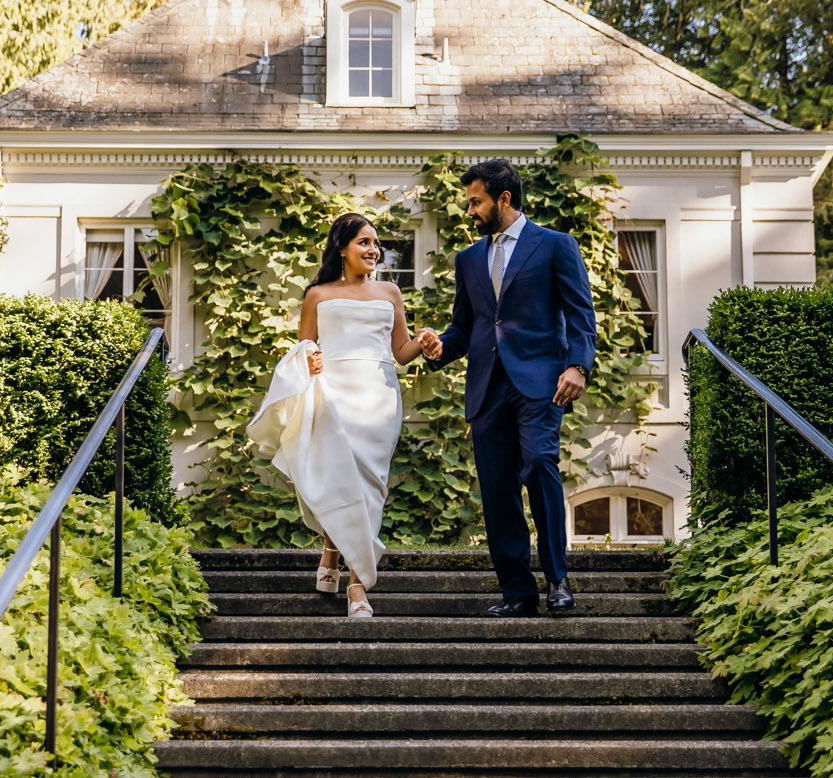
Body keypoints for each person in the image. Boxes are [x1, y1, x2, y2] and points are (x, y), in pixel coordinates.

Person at [417, 159, 596, 616]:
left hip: (541, 384)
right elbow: (466, 326)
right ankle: (517, 592)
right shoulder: (469, 258)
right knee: (497, 491)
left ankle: (558, 579)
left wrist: (578, 365)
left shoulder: (555, 245)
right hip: (486, 388)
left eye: (476, 201)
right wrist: (440, 346)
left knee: (539, 464)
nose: (470, 210)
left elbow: (580, 313)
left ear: (504, 199)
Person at [248, 213, 438, 618]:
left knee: (369, 484)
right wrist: (310, 357)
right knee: (339, 478)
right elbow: (304, 347)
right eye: (364, 243)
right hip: (334, 394)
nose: (373, 250)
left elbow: (400, 353)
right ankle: (346, 573)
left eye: (375, 244)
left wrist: (423, 342)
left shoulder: (390, 292)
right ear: (342, 248)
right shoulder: (317, 294)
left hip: (378, 396)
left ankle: (348, 575)